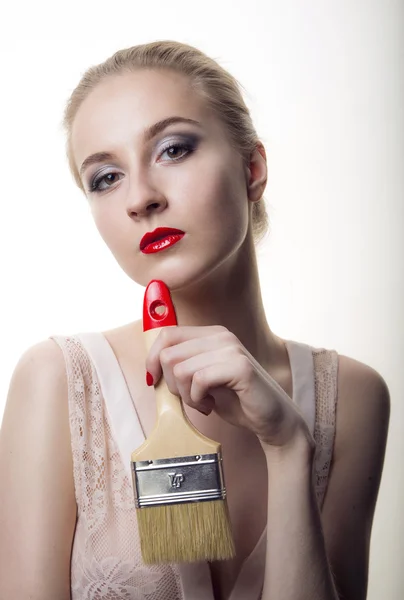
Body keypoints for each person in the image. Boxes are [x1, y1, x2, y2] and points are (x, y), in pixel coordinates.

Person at [0, 40, 391, 600]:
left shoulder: (351, 397)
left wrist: (288, 449)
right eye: (105, 178)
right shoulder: (58, 381)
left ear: (252, 168)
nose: (140, 198)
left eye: (173, 149)